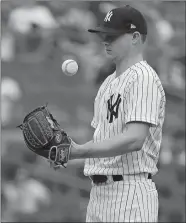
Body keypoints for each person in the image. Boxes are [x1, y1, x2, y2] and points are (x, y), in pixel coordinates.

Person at [69, 5, 166, 222]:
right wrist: (67, 154)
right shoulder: (108, 83)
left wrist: (80, 151)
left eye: (113, 36)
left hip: (130, 193)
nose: (106, 40)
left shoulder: (143, 77)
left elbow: (135, 138)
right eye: (105, 34)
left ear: (135, 37)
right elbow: (103, 142)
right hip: (99, 195)